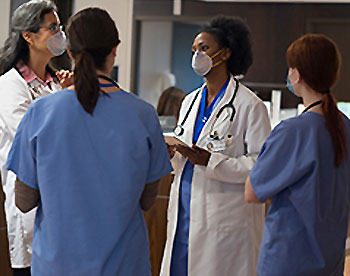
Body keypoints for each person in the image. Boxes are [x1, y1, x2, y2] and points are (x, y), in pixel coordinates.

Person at [6, 7, 172, 276]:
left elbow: (24, 201)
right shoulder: (142, 115)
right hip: (123, 265)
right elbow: (147, 200)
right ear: (114, 50)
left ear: (70, 52)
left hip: (57, 265)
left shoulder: (41, 112)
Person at [160, 15, 271, 276]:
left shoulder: (249, 105)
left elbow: (261, 166)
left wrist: (211, 161)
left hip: (224, 222)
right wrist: (173, 153)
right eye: (194, 50)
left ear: (227, 53)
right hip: (185, 212)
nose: (196, 55)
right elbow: (185, 151)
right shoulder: (189, 102)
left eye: (204, 48)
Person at [245, 34, 350, 276]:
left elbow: (253, 192)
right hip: (329, 260)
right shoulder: (345, 128)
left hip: (288, 261)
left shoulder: (293, 131)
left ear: (296, 74)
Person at [0, 1, 68, 275]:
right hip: (29, 203)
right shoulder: (9, 85)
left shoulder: (57, 83)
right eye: (52, 28)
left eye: (59, 27)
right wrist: (67, 100)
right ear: (28, 36)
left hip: (63, 199)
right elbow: (36, 140)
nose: (59, 34)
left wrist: (67, 94)